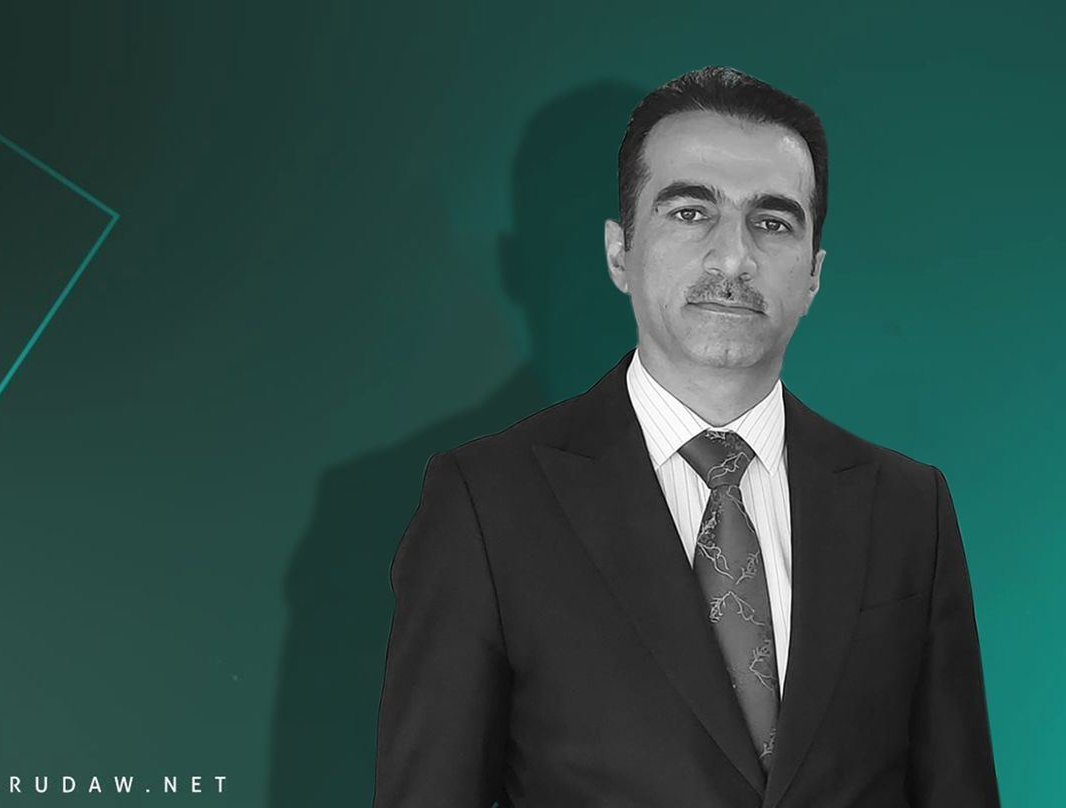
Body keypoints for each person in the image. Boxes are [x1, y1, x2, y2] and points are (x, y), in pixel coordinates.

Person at [372, 65, 999, 807]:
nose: (733, 258)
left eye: (772, 222)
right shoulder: (486, 504)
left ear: (813, 274)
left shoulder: (908, 510)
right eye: (691, 212)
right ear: (619, 253)